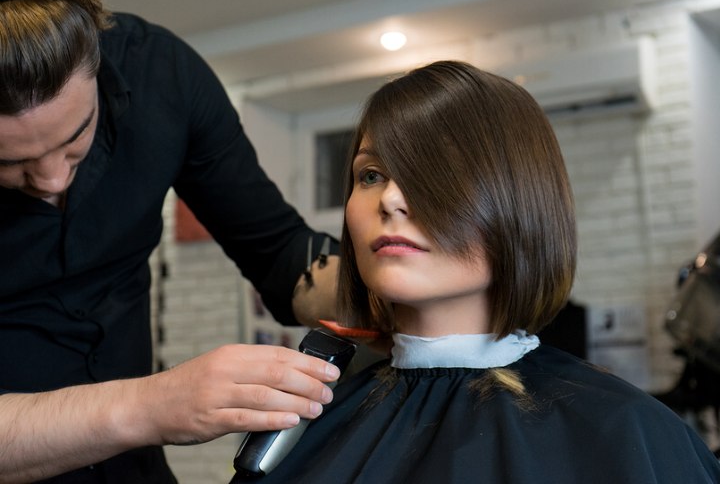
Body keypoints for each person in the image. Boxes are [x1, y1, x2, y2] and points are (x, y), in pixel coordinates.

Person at [230, 61, 720, 483]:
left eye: (434, 172)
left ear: (519, 202)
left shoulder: (628, 431)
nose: (392, 199)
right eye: (371, 174)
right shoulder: (306, 424)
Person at [0, 0, 342, 482]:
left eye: (75, 138)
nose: (49, 180)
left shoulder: (161, 74)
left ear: (97, 55)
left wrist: (394, 291)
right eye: (9, 162)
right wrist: (154, 404)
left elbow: (281, 253)